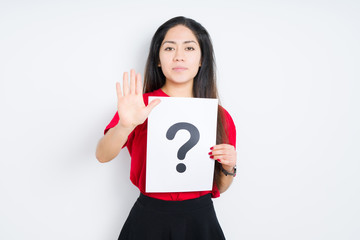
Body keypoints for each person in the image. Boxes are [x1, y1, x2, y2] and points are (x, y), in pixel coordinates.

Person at [96, 16, 237, 240]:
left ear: (202, 59)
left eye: (189, 48)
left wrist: (229, 166)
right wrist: (125, 125)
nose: (179, 56)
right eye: (169, 48)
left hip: (200, 218)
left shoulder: (219, 116)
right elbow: (102, 155)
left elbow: (221, 186)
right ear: (158, 60)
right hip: (149, 217)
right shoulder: (138, 106)